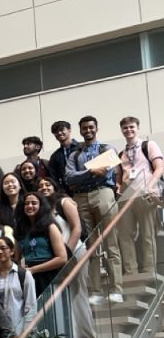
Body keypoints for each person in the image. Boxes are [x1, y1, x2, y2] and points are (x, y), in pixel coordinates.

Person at [65, 115, 123, 304]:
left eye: (91, 127)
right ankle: (96, 291)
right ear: (80, 130)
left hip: (103, 194)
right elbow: (69, 177)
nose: (88, 130)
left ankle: (117, 289)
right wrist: (89, 172)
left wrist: (84, 176)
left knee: (111, 242)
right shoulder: (74, 154)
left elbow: (107, 172)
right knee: (91, 246)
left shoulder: (107, 149)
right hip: (81, 198)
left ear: (96, 128)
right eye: (84, 128)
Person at [37, 175, 98, 338]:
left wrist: (67, 254)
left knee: (79, 296)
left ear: (54, 186)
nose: (44, 187)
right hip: (59, 258)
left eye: (47, 184)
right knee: (67, 299)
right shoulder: (43, 210)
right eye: (40, 185)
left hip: (75, 253)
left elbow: (77, 228)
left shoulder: (64, 202)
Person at [116, 116, 163, 277]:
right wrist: (118, 188)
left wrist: (150, 186)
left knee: (147, 234)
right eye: (125, 128)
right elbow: (121, 176)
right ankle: (131, 271)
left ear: (137, 128)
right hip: (126, 197)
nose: (128, 130)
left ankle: (149, 271)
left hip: (144, 194)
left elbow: (159, 167)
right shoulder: (122, 153)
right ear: (121, 130)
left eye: (131, 127)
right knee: (124, 235)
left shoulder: (148, 145)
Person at [15, 192, 68, 295]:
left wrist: (34, 269)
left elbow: (62, 258)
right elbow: (18, 258)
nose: (30, 206)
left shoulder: (50, 227)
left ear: (41, 206)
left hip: (49, 276)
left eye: (34, 203)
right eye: (27, 203)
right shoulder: (19, 230)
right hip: (28, 276)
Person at [47, 121, 80, 194]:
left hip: (85, 188)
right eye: (56, 132)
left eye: (62, 130)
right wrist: (61, 191)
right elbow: (53, 178)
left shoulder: (82, 147)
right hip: (66, 193)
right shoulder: (54, 156)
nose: (59, 133)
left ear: (69, 130)